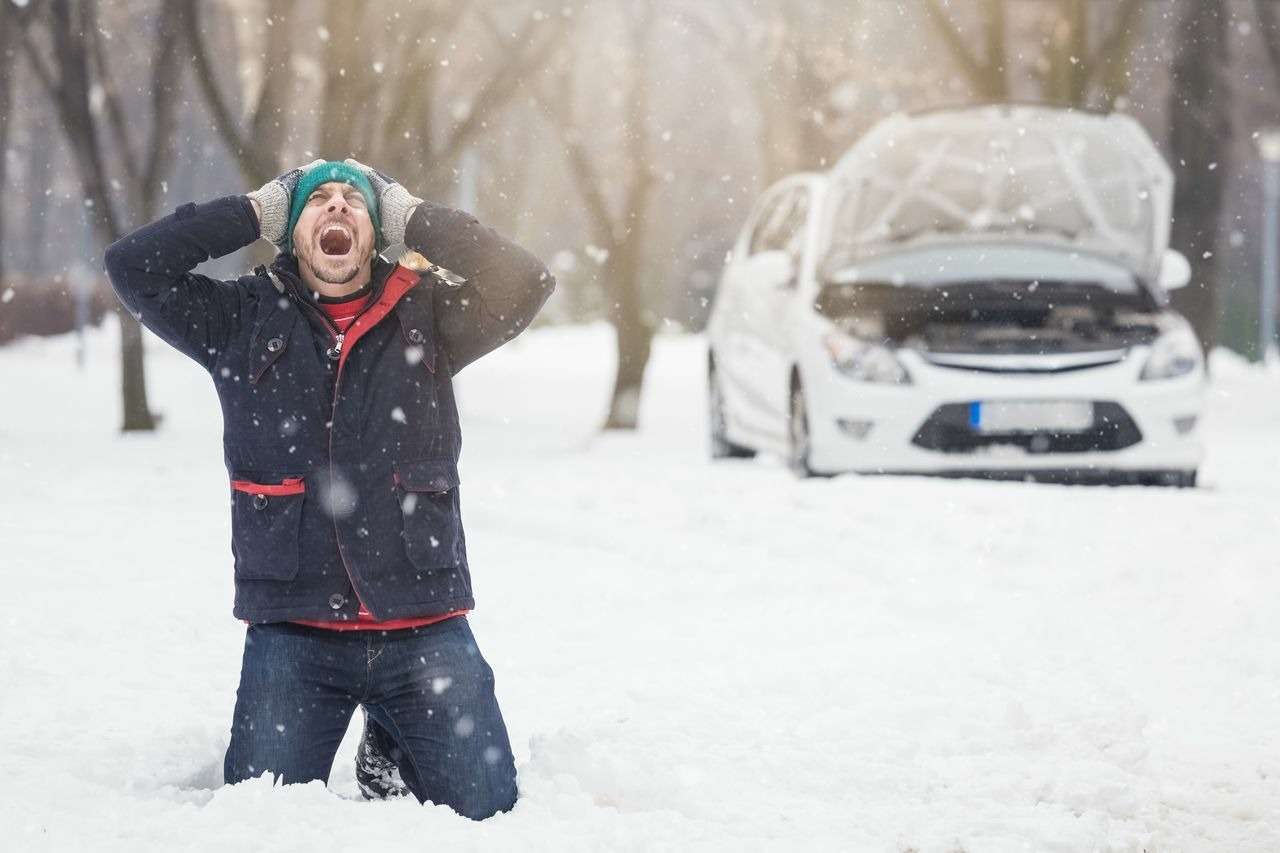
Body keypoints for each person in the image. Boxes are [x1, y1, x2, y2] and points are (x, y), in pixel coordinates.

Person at [104, 159, 555, 819]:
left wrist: (413, 216)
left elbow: (525, 281)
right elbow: (131, 266)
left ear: (375, 236)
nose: (338, 207)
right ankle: (387, 733)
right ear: (293, 231)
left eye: (356, 202)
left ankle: (392, 747)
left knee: (490, 815)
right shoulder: (241, 319)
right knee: (259, 820)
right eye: (319, 200)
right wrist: (254, 210)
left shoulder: (427, 312)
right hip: (295, 629)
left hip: (423, 621)